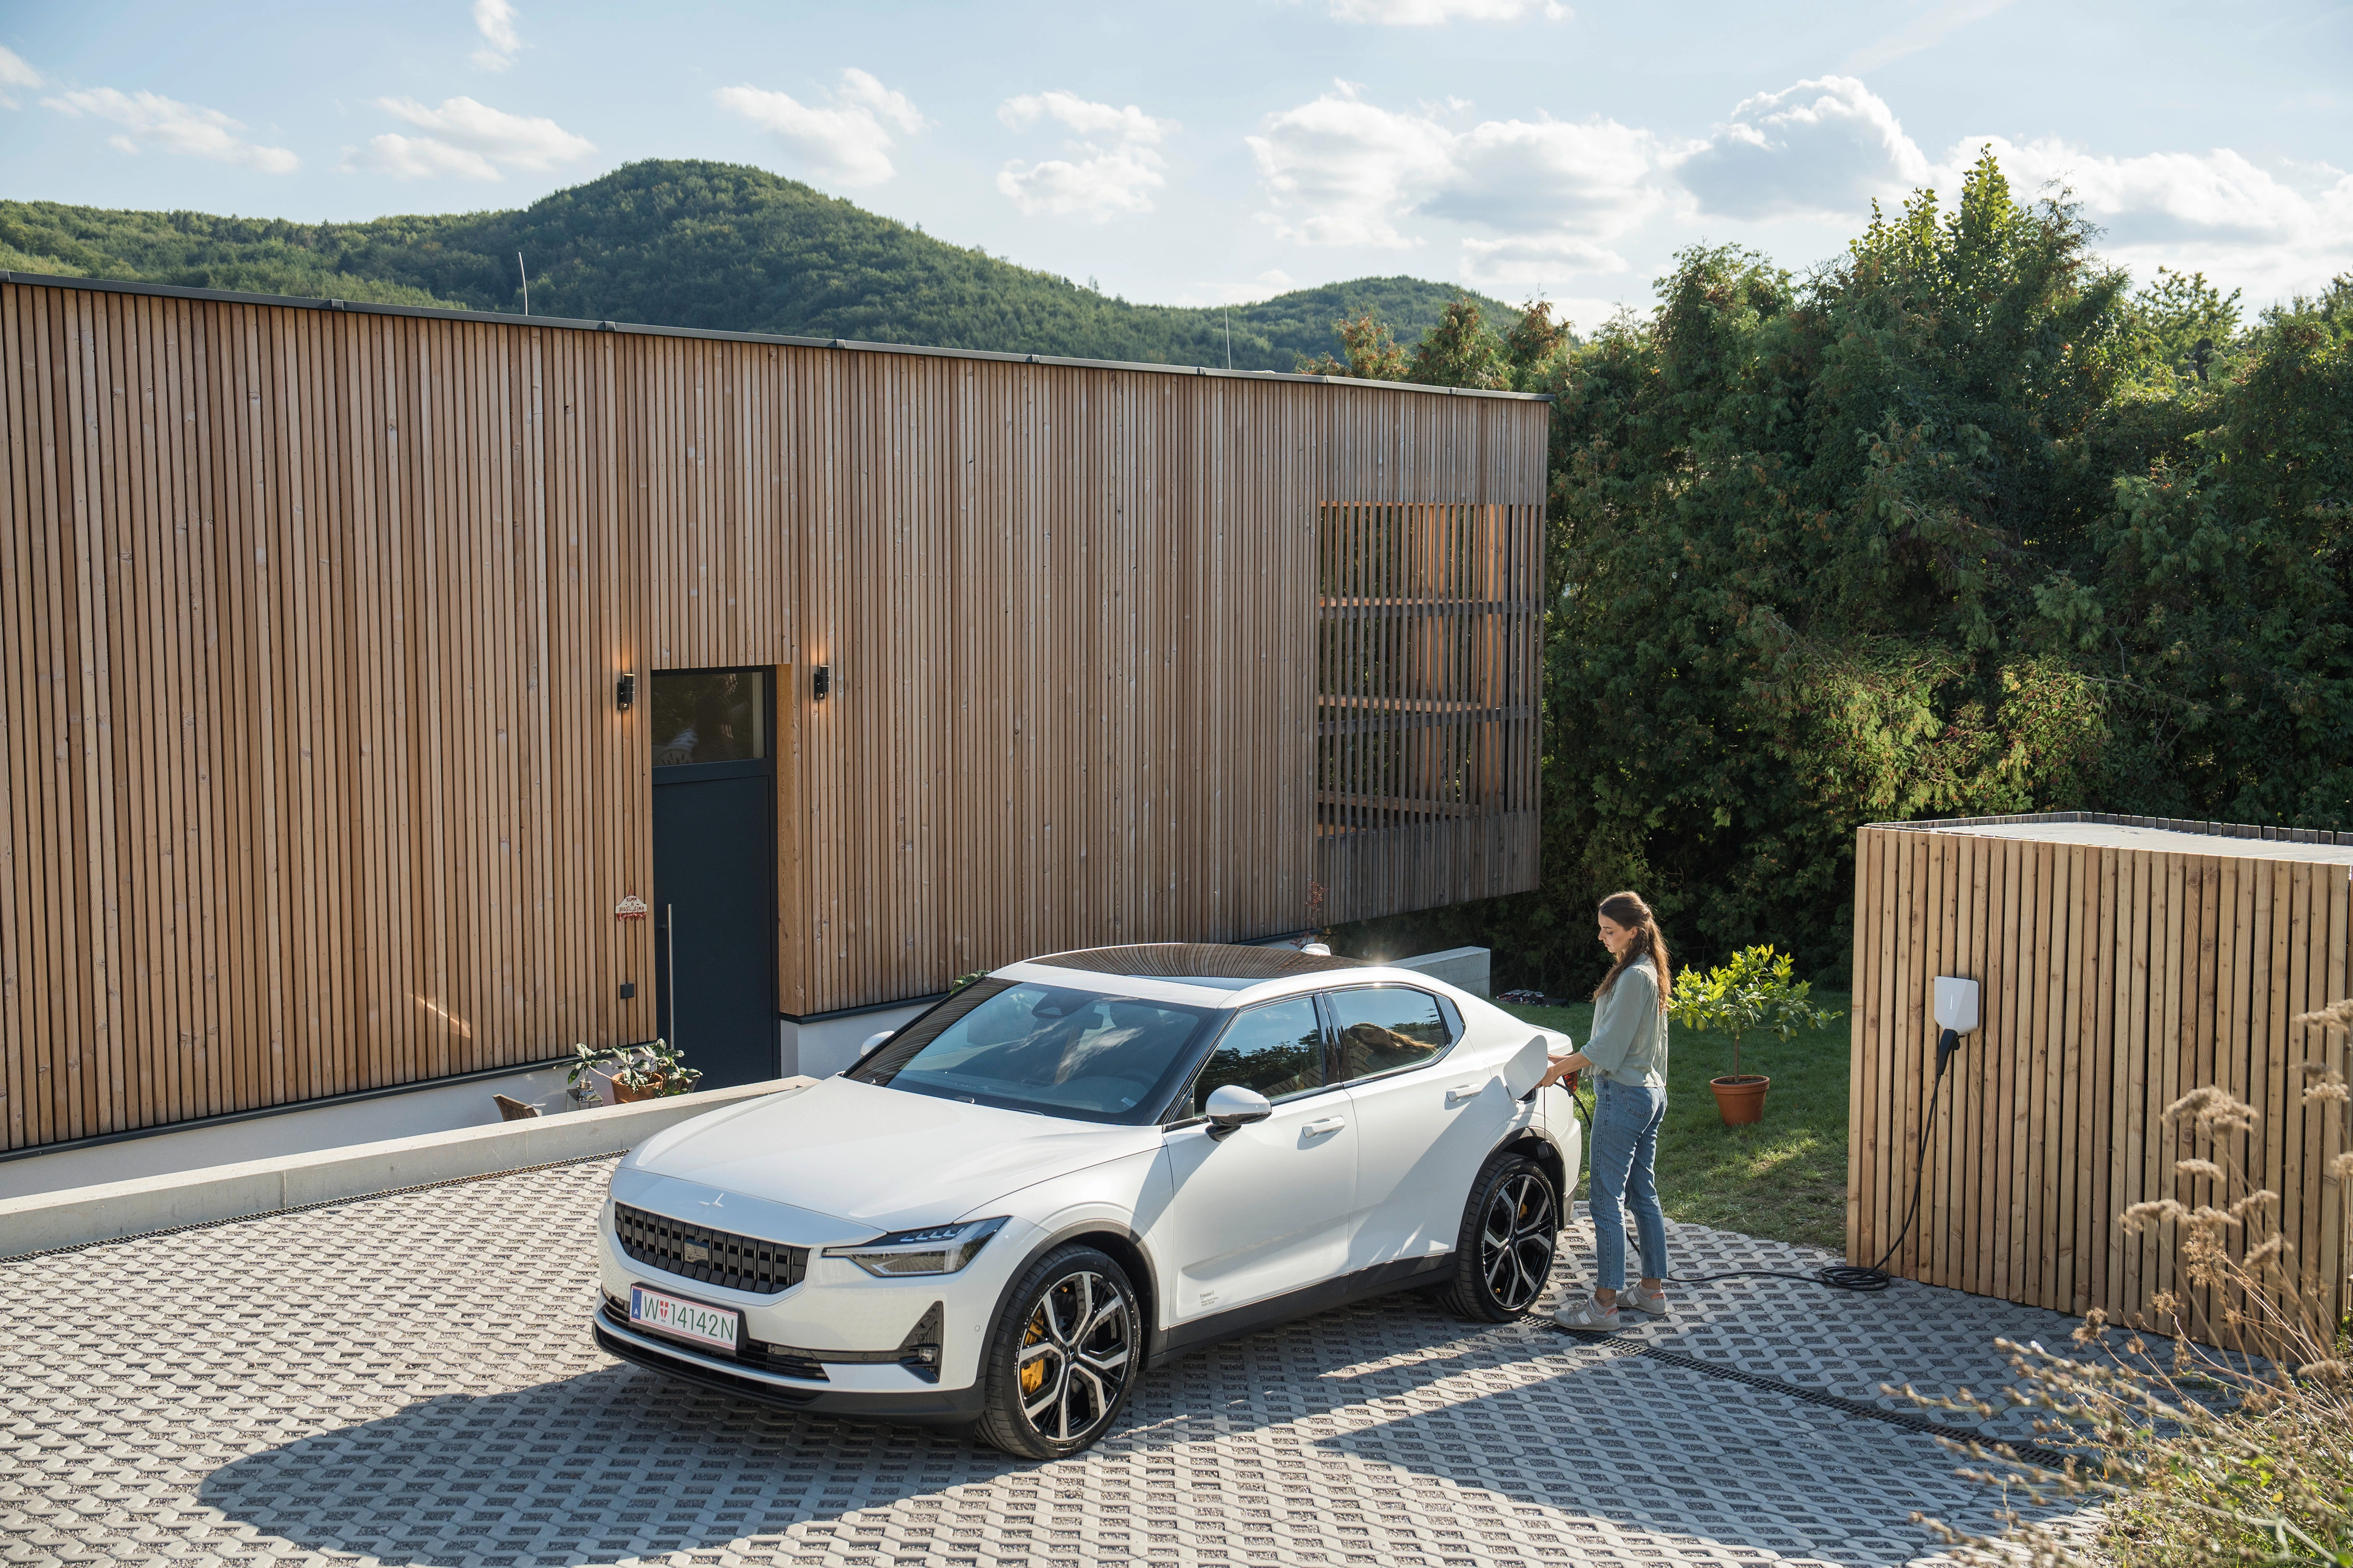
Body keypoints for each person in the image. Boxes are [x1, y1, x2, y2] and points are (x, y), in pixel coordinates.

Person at [1535, 891, 1672, 1328]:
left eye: (1609, 930)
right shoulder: (1647, 970)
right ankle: (1651, 1292)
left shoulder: (1635, 977)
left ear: (1634, 931)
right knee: (1642, 1194)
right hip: (1648, 1092)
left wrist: (1558, 1071)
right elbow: (1627, 1045)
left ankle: (1603, 1306)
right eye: (1601, 928)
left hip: (1624, 1096)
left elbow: (1608, 1050)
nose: (1601, 937)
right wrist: (1566, 1061)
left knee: (1605, 1201)